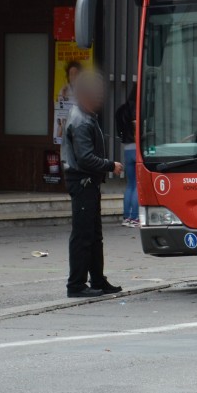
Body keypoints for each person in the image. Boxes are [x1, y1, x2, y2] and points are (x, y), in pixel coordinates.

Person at [62, 70, 123, 297]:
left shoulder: (86, 116)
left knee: (94, 235)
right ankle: (76, 284)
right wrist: (110, 165)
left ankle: (97, 279)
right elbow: (85, 157)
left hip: (89, 181)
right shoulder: (80, 120)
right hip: (82, 181)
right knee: (83, 235)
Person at [115, 85, 138, 227]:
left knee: (130, 184)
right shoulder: (137, 107)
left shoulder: (121, 110)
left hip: (127, 149)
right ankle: (135, 218)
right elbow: (136, 125)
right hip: (137, 148)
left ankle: (126, 217)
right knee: (138, 185)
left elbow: (120, 132)